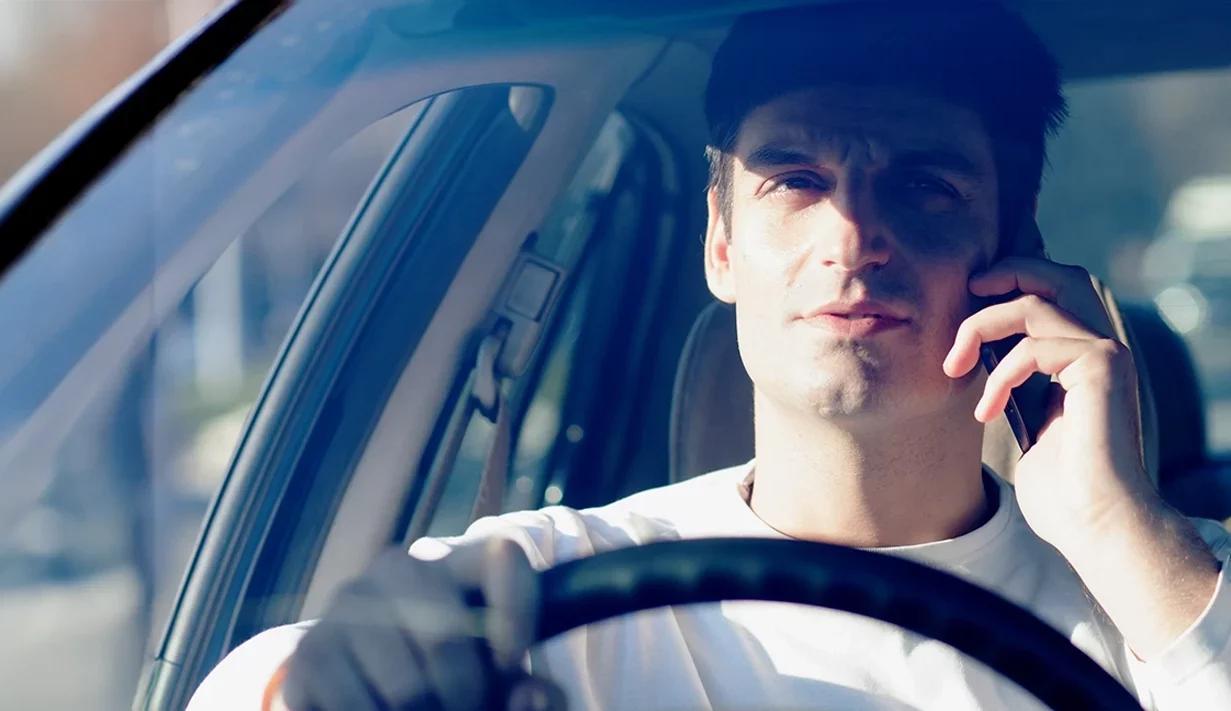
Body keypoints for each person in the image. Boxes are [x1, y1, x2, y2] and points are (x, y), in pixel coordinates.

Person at [187, 2, 1231, 710]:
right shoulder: (545, 585)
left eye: (925, 186)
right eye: (793, 179)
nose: (852, 237)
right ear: (720, 244)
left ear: (1011, 254)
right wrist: (334, 680)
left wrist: (1115, 525)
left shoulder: (1167, 592)